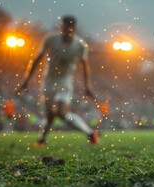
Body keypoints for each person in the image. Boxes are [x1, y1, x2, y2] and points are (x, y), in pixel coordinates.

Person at [16, 15, 99, 146]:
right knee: (50, 116)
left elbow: (85, 66)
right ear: (61, 27)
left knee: (61, 113)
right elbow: (37, 59)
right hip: (48, 81)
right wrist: (25, 81)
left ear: (74, 29)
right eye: (63, 28)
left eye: (69, 29)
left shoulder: (80, 45)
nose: (65, 31)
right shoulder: (51, 39)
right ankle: (42, 139)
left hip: (64, 81)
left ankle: (89, 133)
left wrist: (87, 86)